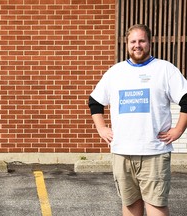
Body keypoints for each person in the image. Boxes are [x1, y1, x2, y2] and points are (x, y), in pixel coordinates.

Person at [88, 24, 187, 216]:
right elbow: (95, 101)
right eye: (133, 41)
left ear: (149, 43)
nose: (137, 45)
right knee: (130, 204)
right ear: (127, 44)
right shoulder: (115, 72)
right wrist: (101, 128)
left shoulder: (164, 69)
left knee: (156, 206)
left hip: (154, 152)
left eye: (142, 40)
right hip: (122, 152)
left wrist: (179, 129)